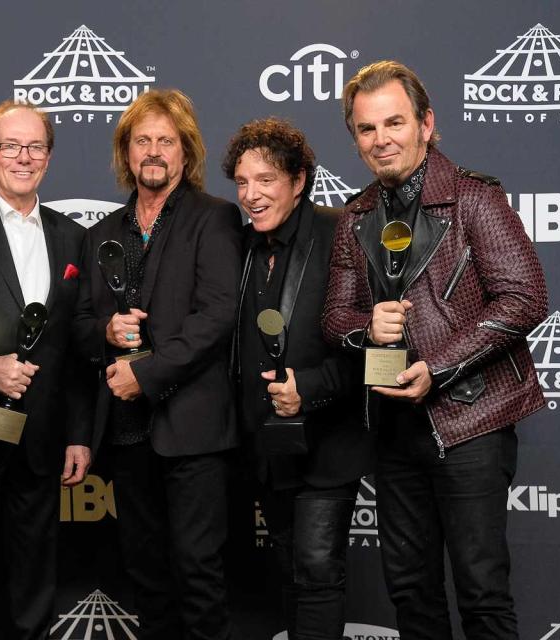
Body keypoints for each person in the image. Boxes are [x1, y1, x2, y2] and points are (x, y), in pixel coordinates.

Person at [322, 60, 548, 640]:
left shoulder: (474, 198)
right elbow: (334, 318)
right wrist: (367, 327)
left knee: (481, 592)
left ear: (427, 123)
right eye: (366, 129)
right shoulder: (356, 215)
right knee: (412, 594)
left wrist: (439, 366)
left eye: (394, 123)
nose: (381, 140)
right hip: (396, 429)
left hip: (470, 420)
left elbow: (526, 298)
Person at [72, 89, 242, 640]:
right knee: (145, 575)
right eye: (141, 140)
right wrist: (104, 329)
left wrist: (144, 373)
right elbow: (75, 325)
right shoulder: (100, 236)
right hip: (126, 435)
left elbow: (215, 319)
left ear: (185, 153)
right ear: (126, 153)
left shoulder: (215, 219)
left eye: (165, 141)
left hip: (191, 430)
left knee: (198, 573)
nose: (153, 152)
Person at [0, 101, 93, 639]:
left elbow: (77, 347)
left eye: (35, 147)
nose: (22, 158)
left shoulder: (74, 238)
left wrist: (79, 434)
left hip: (44, 434)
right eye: (10, 146)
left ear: (48, 157)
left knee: (35, 569)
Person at [223, 118, 372, 640]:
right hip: (264, 447)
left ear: (299, 179)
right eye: (242, 182)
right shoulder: (237, 246)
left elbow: (373, 345)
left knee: (314, 569)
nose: (251, 195)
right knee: (288, 568)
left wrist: (308, 388)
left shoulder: (341, 235)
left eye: (265, 180)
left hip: (327, 444)